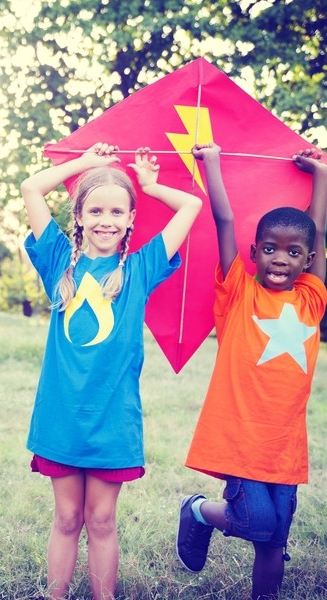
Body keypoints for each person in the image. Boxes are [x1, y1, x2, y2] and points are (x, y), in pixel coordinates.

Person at [20, 142, 202, 599]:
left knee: (101, 520)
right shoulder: (59, 260)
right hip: (62, 416)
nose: (106, 220)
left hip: (112, 419)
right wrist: (88, 164)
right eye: (95, 209)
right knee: (66, 518)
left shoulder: (142, 267)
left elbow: (192, 205)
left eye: (117, 212)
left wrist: (151, 185)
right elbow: (31, 188)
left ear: (129, 220)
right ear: (78, 216)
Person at [177, 143, 327, 600]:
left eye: (293, 252)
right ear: (254, 252)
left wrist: (321, 174)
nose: (280, 259)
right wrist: (213, 164)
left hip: (284, 448)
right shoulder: (239, 291)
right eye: (269, 249)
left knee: (275, 540)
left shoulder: (312, 298)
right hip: (242, 440)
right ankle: (199, 511)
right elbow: (224, 220)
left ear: (308, 259)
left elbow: (318, 229)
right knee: (256, 523)